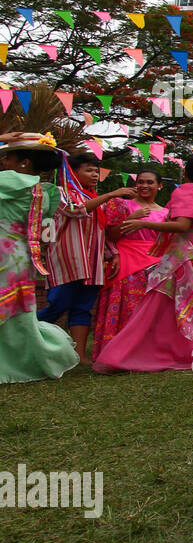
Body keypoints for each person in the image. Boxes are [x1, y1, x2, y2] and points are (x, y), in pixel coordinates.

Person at [93, 156, 193, 372]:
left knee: (164, 303)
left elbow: (182, 225)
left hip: (183, 253)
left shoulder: (188, 190)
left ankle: (134, 353)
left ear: (186, 175)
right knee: (191, 303)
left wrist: (141, 222)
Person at [37, 152, 135, 364]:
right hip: (68, 261)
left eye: (96, 170)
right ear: (73, 172)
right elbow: (75, 210)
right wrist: (111, 194)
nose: (94, 174)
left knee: (82, 308)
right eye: (88, 170)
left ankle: (79, 355)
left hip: (92, 262)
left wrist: (114, 254)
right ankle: (24, 342)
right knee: (57, 305)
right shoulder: (60, 192)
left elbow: (102, 230)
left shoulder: (94, 198)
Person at [0, 132, 80, 383]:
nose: (3, 161)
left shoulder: (10, 180)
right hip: (22, 256)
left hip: (3, 251)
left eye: (7, 156)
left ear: (23, 162)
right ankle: (32, 359)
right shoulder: (44, 192)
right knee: (19, 313)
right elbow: (46, 234)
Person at [93, 169, 169, 360]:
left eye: (150, 182)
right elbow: (112, 235)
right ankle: (119, 350)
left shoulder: (167, 212)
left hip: (157, 261)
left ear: (159, 186)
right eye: (140, 182)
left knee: (155, 307)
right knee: (127, 303)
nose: (144, 186)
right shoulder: (122, 204)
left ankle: (150, 349)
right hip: (127, 258)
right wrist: (132, 218)